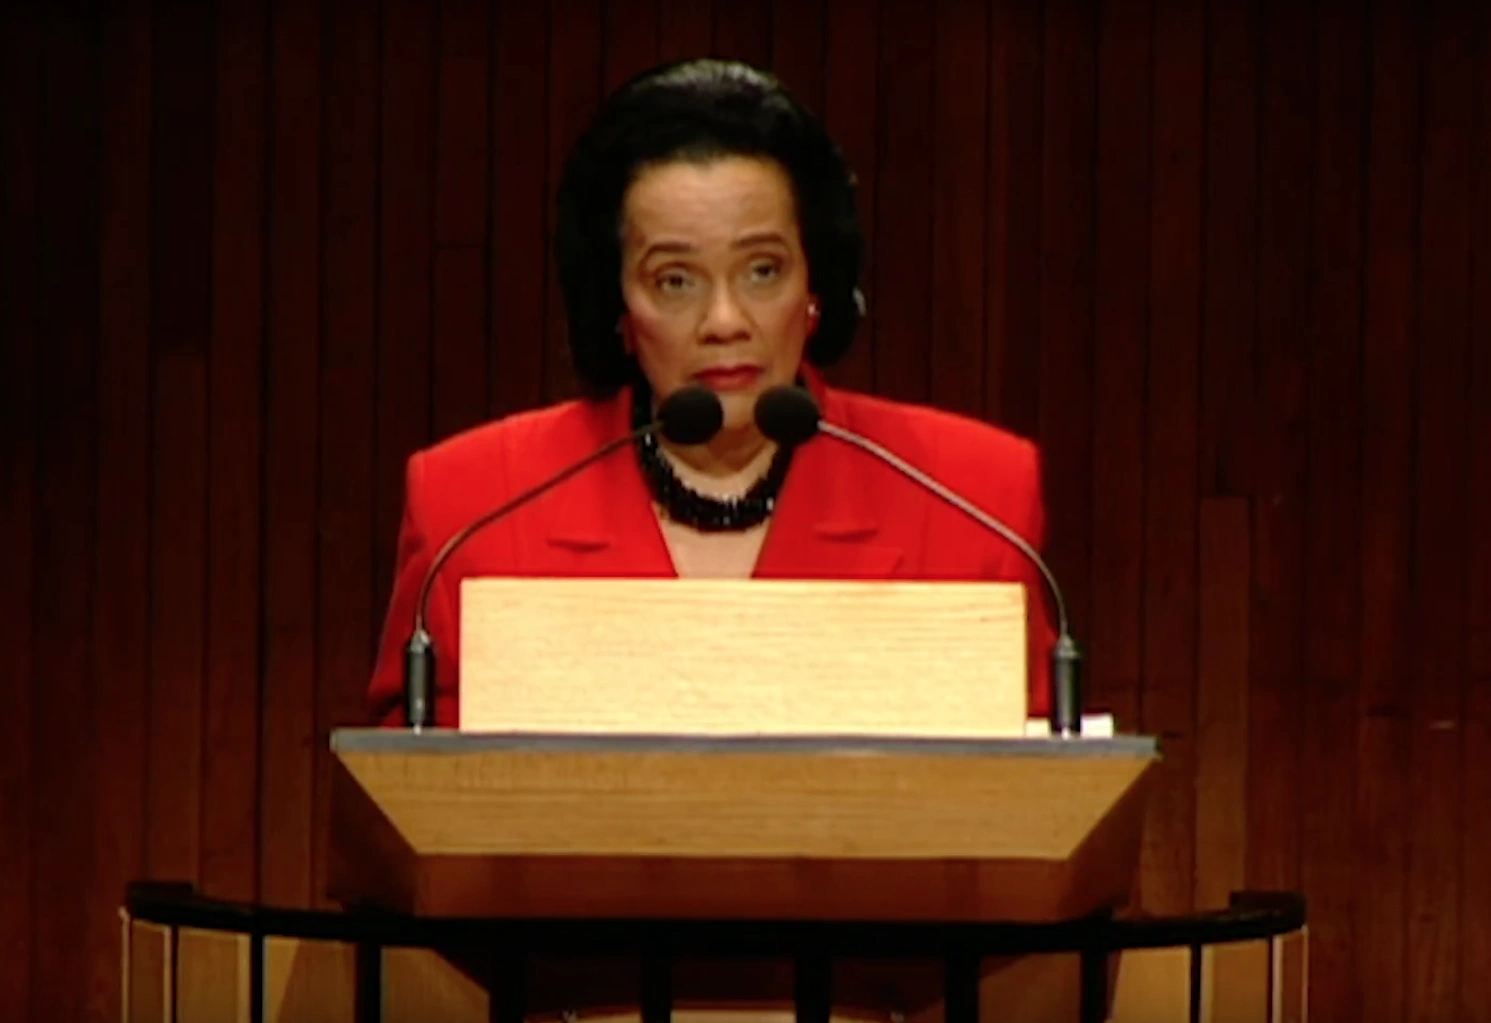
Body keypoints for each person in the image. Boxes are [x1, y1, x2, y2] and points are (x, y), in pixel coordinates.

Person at [365, 58, 1056, 729]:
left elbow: (1036, 801)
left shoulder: (969, 500)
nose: (725, 321)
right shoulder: (476, 506)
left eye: (761, 270)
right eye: (675, 280)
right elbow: (411, 809)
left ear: (815, 287)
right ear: (618, 307)